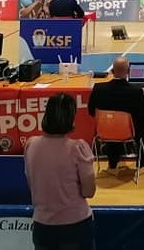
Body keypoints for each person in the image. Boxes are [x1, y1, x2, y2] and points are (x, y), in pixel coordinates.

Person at [24, 93, 96, 250]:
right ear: (70, 118)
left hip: (43, 226)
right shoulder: (78, 148)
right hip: (74, 227)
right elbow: (89, 191)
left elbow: (31, 182)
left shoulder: (31, 145)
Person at [88, 57, 144, 174]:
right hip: (127, 132)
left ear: (112, 71)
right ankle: (142, 160)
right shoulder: (135, 91)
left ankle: (113, 162)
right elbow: (143, 115)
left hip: (103, 131)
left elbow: (91, 111)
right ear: (128, 71)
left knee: (112, 123)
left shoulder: (98, 89)